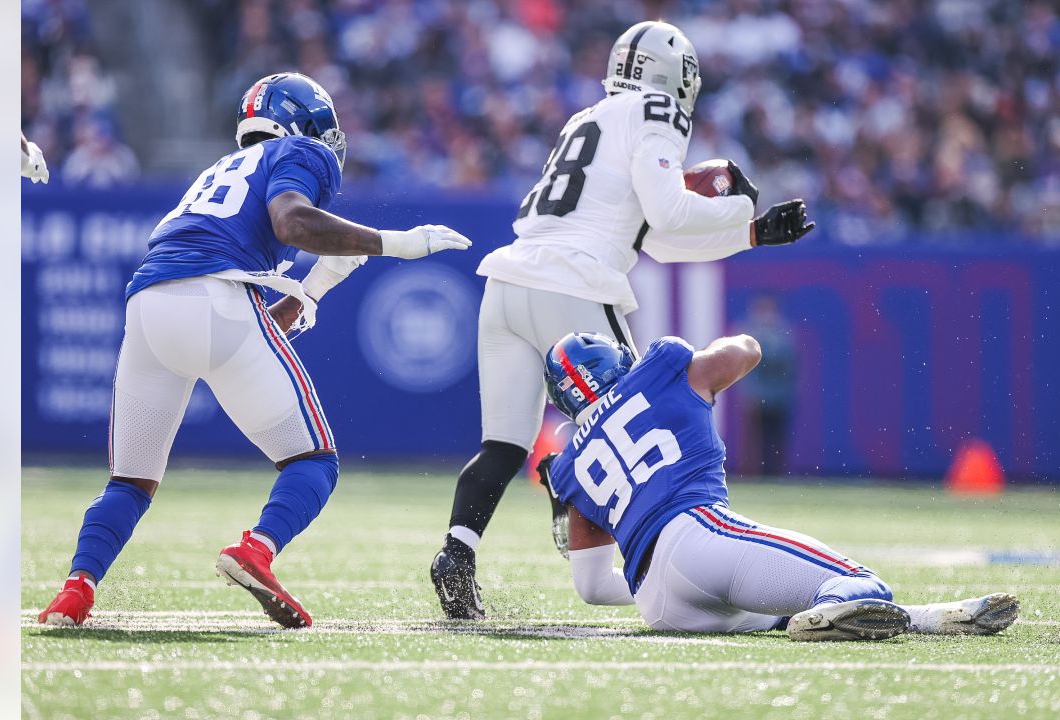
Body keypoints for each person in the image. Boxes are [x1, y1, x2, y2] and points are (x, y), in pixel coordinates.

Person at [37, 72, 472, 629]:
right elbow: (291, 222)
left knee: (130, 480)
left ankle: (76, 589)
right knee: (314, 461)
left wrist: (306, 294)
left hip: (148, 306)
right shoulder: (301, 151)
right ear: (304, 120)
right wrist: (395, 244)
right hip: (217, 297)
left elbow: (274, 278)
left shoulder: (221, 170)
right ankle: (256, 550)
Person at [430, 19, 816, 620]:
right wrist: (741, 205)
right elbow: (668, 210)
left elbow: (655, 238)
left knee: (503, 445)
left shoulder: (587, 119)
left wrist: (750, 233)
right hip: (575, 284)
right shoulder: (657, 110)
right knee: (635, 424)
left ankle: (458, 551)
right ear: (674, 77)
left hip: (507, 283)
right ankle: (660, 552)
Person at [536, 331, 1019, 640]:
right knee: (859, 586)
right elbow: (746, 351)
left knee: (819, 608)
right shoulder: (660, 371)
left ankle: (933, 618)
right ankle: (830, 612)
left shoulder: (571, 463)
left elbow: (593, 586)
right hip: (700, 535)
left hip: (660, 604)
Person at [741, 294, 798, 476]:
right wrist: (750, 393)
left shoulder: (782, 333)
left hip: (779, 394)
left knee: (777, 436)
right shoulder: (751, 334)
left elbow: (789, 364)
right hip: (759, 394)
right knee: (757, 437)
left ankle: (775, 472)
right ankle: (757, 473)